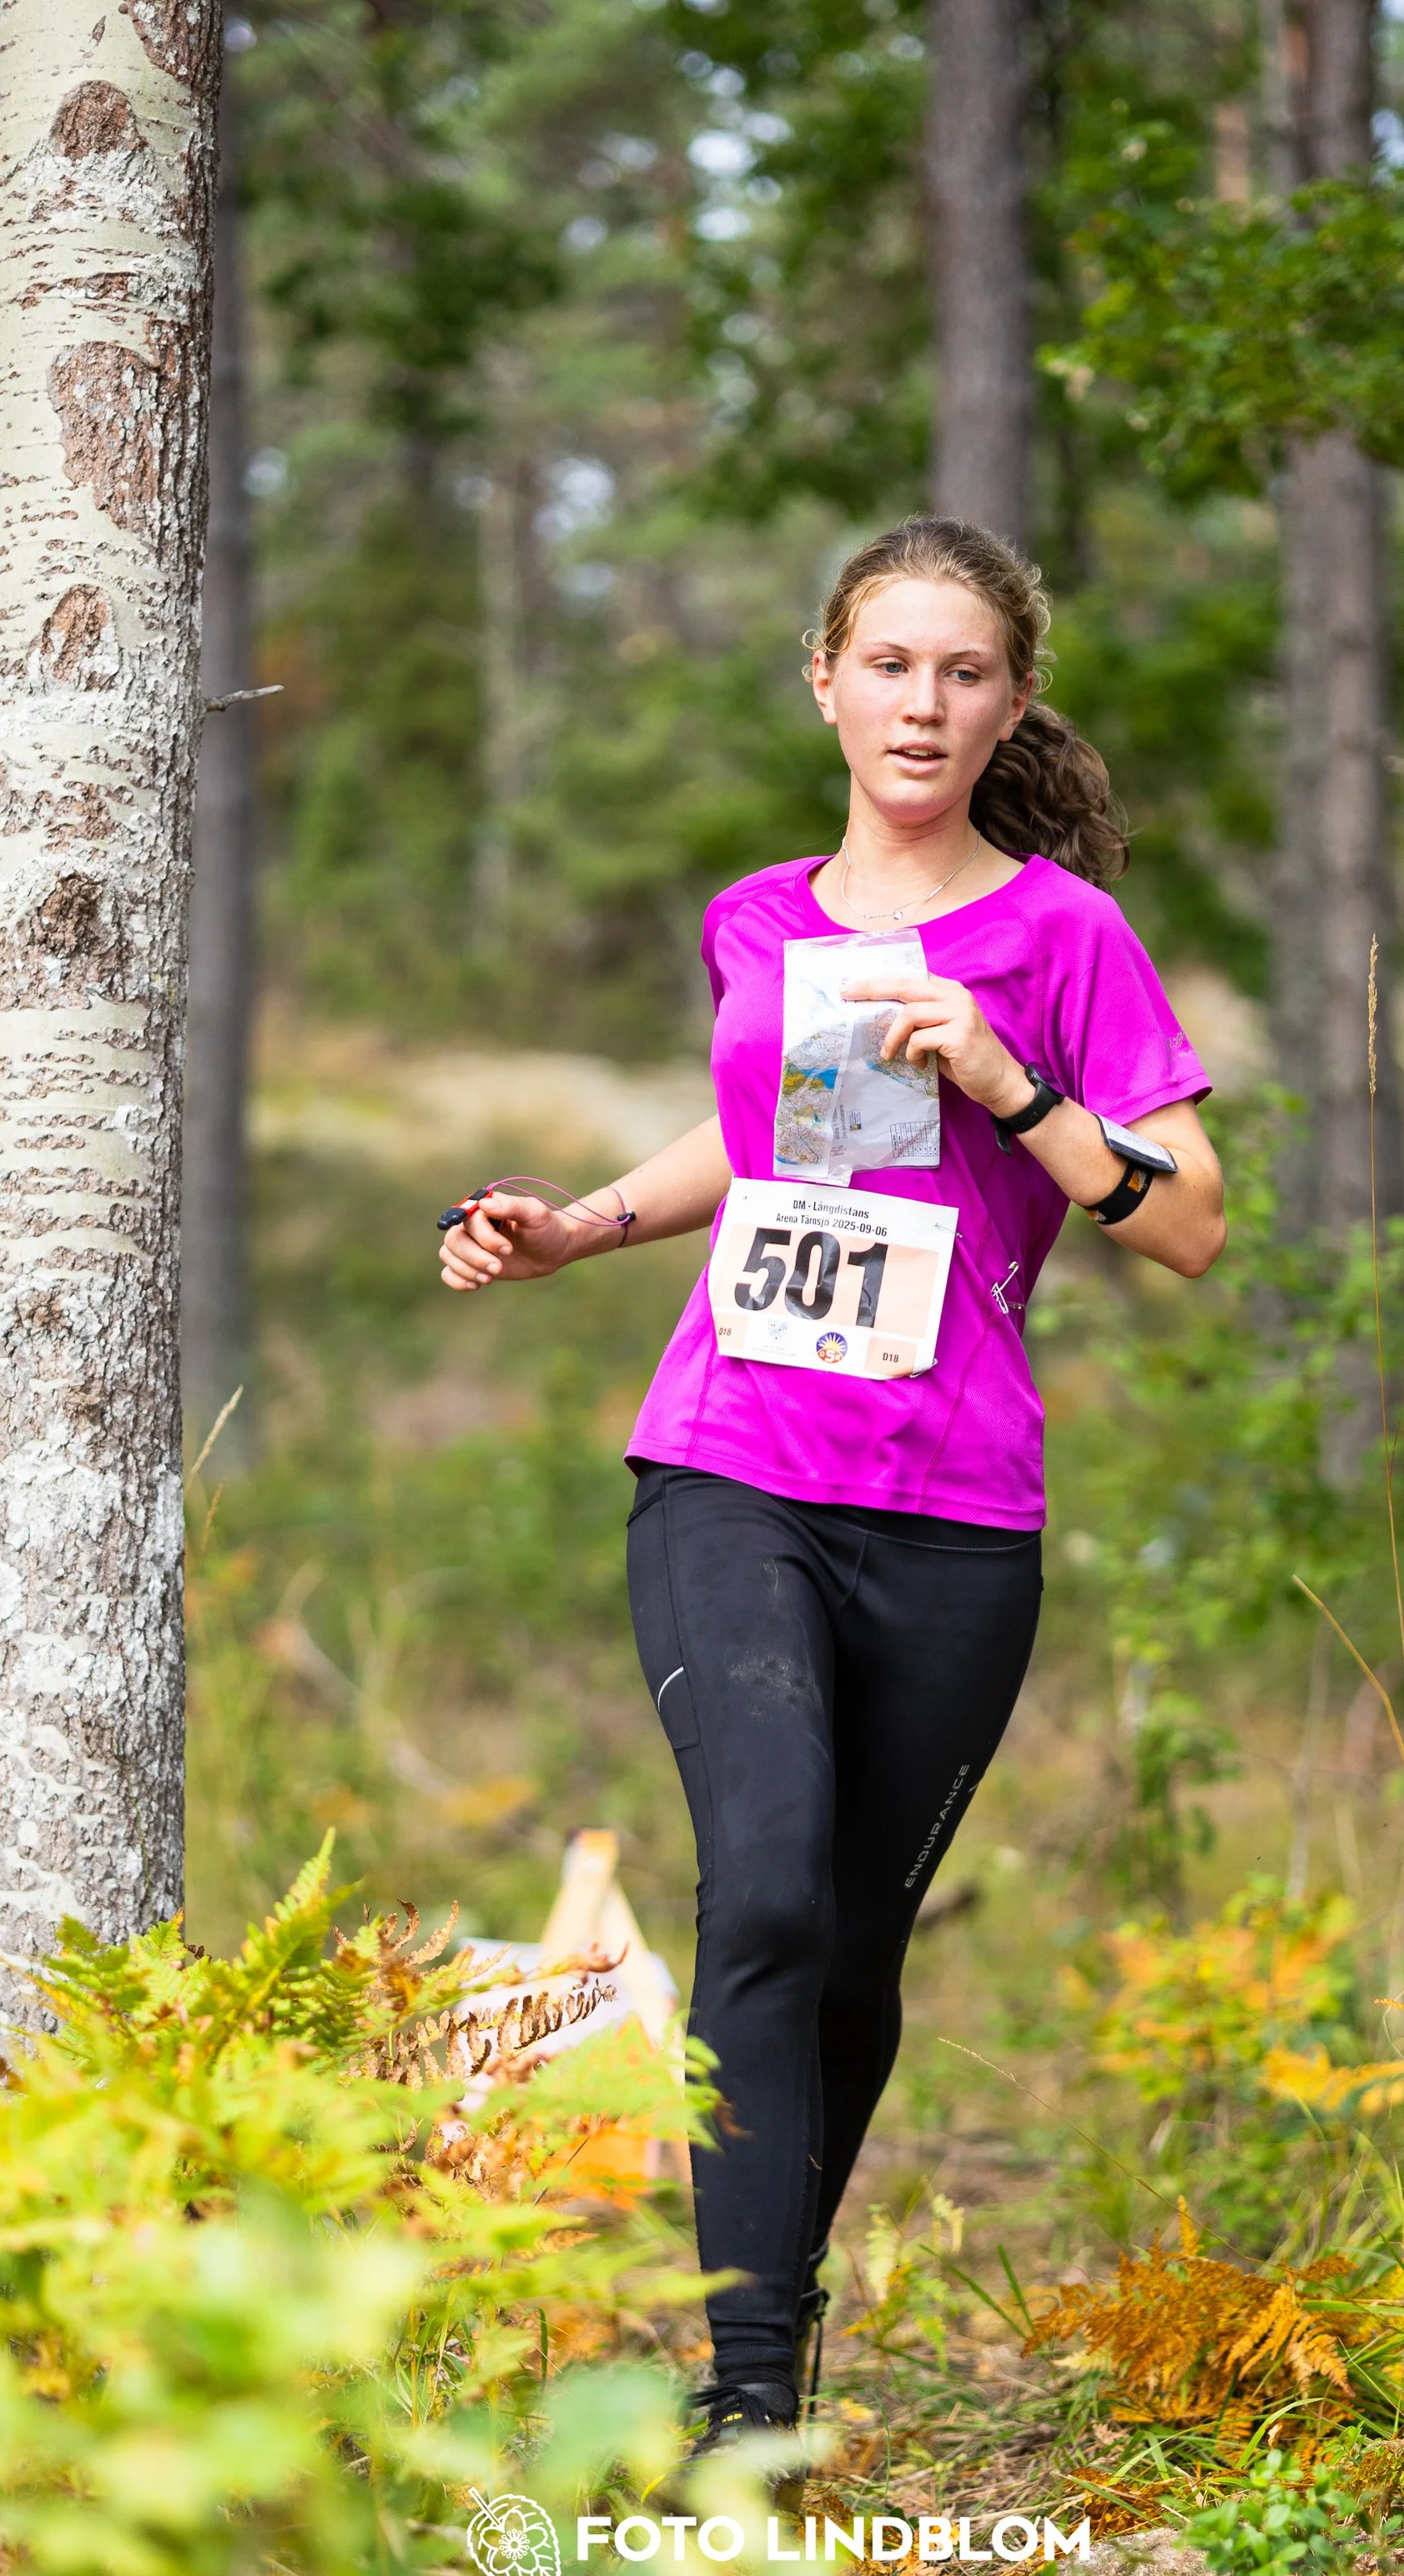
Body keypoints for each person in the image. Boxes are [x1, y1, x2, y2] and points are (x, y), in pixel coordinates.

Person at [438, 517, 1225, 2452]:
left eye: (964, 672)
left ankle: (769, 2330)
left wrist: (1006, 1083)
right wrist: (577, 1226)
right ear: (825, 678)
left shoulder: (1059, 939)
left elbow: (1189, 1221)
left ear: (1010, 700)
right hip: (734, 1460)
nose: (924, 702)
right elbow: (752, 1149)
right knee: (768, 1880)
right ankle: (748, 2395)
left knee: (850, 1942)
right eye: (890, 663)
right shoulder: (753, 917)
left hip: (955, 1507)